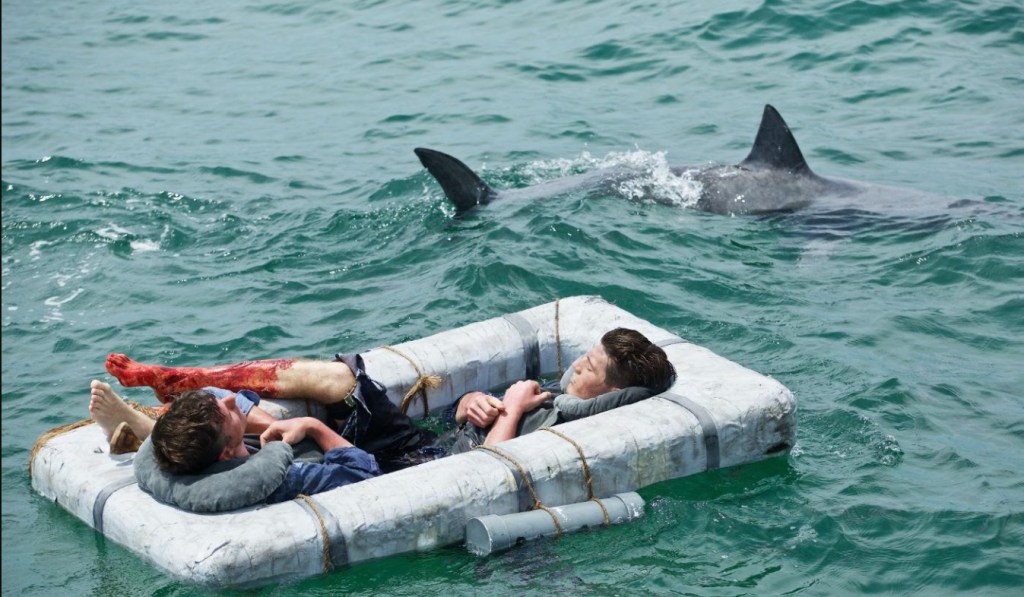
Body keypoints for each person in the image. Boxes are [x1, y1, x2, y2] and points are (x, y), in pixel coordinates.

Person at [88, 380, 380, 503]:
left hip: (235, 445)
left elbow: (214, 395)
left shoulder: (206, 458)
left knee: (210, 393)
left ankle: (150, 429)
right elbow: (367, 473)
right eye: (226, 413)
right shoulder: (280, 477)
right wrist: (313, 427)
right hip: (327, 456)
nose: (231, 400)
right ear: (227, 453)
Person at [445, 327, 675, 453]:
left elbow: (488, 471)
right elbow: (454, 415)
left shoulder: (566, 435)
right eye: (585, 357)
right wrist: (471, 402)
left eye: (589, 368)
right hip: (440, 443)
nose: (576, 365)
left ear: (612, 393)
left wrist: (512, 408)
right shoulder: (564, 393)